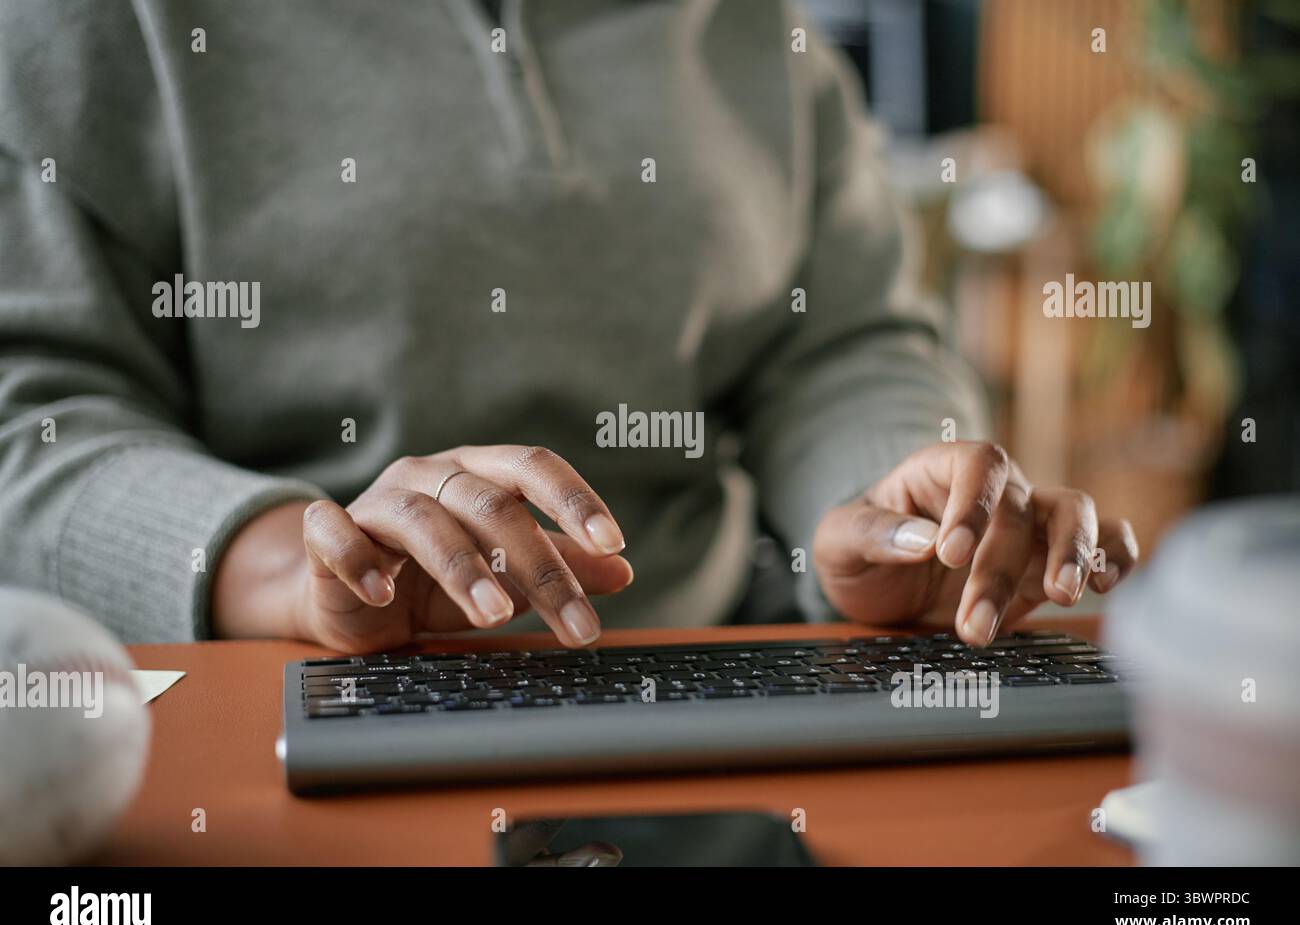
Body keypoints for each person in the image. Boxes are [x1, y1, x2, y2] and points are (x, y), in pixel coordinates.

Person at [0, 0, 1137, 652]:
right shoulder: (94, 27)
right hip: (260, 690)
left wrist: (888, 518)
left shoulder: (756, 29)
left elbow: (840, 341)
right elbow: (33, 415)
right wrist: (286, 565)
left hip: (720, 669)